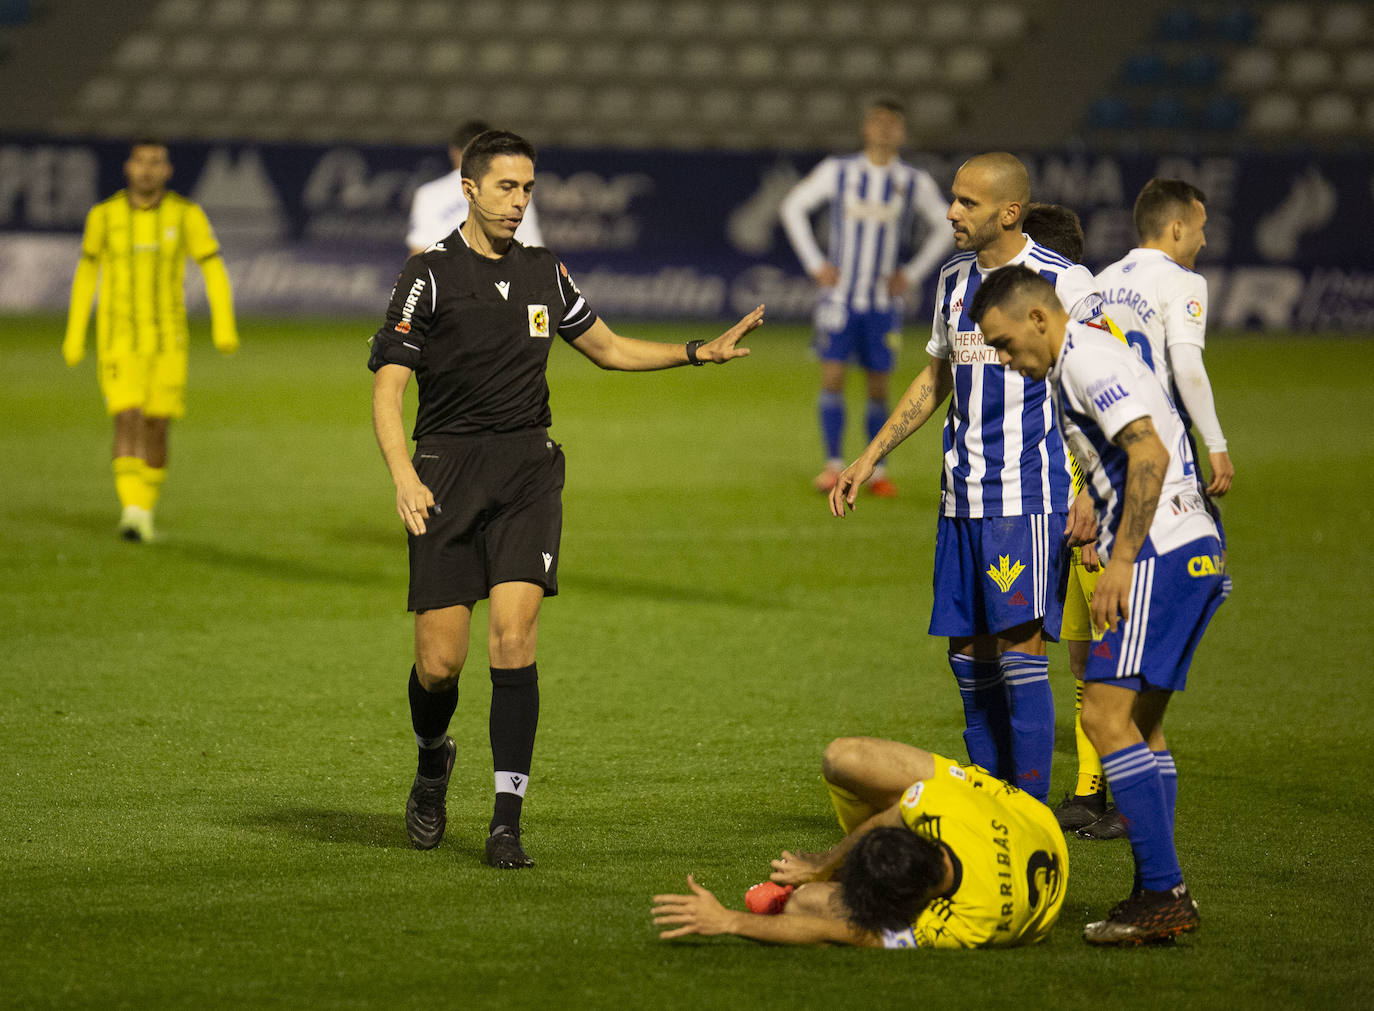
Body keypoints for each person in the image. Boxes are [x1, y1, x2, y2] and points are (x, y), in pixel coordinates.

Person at [369, 130, 764, 868]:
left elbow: (607, 347)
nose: (519, 202)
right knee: (439, 666)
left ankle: (506, 820)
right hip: (445, 474)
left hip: (527, 470)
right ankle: (432, 760)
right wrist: (403, 474)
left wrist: (694, 352)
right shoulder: (426, 275)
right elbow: (388, 389)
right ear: (469, 188)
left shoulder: (546, 271)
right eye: (505, 188)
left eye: (527, 190)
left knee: (513, 639)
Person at [829, 154, 1106, 804]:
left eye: (966, 203)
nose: (950, 212)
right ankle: (992, 803)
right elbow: (936, 378)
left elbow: (1099, 382)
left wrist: (1093, 485)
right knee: (968, 659)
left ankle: (1030, 809)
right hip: (959, 501)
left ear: (1009, 212)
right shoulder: (953, 279)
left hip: (1027, 499)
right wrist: (870, 456)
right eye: (953, 200)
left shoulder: (1065, 281)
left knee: (1020, 651)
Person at [971, 264, 1228, 945]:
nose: (1003, 358)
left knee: (1102, 714)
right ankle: (1159, 890)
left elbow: (1145, 449)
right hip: (1192, 547)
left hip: (1159, 551)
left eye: (1003, 343)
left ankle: (1162, 889)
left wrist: (1122, 558)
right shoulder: (1075, 361)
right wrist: (1095, 502)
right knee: (1140, 725)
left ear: (1036, 318)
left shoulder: (1081, 357)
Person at [650, 736, 1068, 948]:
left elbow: (856, 935)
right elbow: (890, 817)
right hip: (1028, 819)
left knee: (802, 903)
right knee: (843, 758)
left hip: (1019, 865)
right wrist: (823, 865)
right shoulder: (944, 805)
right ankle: (842, 874)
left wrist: (730, 921)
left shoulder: (962, 926)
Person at [63, 137, 239, 543]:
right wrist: (76, 333)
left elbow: (212, 267)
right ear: (128, 167)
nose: (147, 169)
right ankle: (133, 512)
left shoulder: (187, 215)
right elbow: (87, 272)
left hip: (169, 341)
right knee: (126, 415)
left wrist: (223, 325)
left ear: (167, 170)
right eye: (140, 161)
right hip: (119, 338)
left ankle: (143, 507)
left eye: (155, 162)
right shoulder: (103, 216)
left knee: (157, 424)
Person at [779, 98, 952, 497]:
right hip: (839, 300)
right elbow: (793, 207)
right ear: (866, 128)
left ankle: (877, 470)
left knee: (879, 387)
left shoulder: (912, 181)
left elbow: (944, 227)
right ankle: (833, 465)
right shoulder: (838, 171)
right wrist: (814, 264)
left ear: (902, 132)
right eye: (878, 122)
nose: (885, 129)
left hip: (882, 303)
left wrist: (911, 274)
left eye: (893, 123)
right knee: (833, 378)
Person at [1018, 202, 1126, 839]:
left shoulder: (1086, 324)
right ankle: (1089, 789)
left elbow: (1110, 413)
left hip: (1098, 508)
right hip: (1067, 505)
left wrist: (1093, 497)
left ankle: (1125, 798)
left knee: (1114, 660)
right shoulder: (1055, 337)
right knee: (1084, 656)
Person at [1095, 179, 1233, 502]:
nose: (1204, 241)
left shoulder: (1099, 282)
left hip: (1108, 437)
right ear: (1177, 229)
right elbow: (1186, 367)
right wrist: (1217, 444)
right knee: (1200, 547)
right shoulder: (1183, 281)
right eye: (1201, 228)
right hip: (1163, 437)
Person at [407, 119, 544, 255]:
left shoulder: (429, 194)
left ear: (453, 152)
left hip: (448, 275)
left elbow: (419, 254)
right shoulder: (515, 192)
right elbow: (533, 252)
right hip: (503, 274)